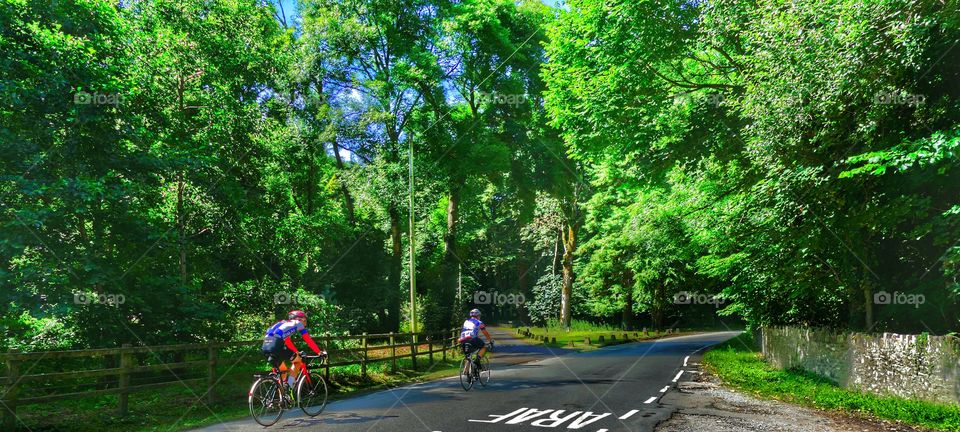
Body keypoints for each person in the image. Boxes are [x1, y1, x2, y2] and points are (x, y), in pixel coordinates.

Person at [261, 310, 323, 389]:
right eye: (304, 320)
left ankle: (282, 394)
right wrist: (319, 352)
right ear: (299, 319)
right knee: (298, 362)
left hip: (265, 345)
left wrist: (296, 352)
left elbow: (288, 342)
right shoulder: (298, 323)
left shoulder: (283, 323)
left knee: (283, 372)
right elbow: (308, 340)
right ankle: (290, 385)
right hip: (276, 344)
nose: (305, 323)